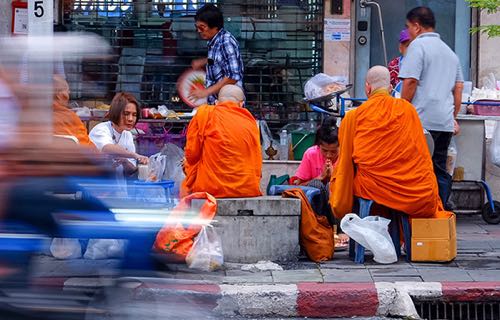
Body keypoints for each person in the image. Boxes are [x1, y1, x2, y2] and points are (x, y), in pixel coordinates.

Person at [330, 66, 451, 220]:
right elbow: (422, 156)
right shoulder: (408, 110)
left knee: (350, 180)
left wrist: (340, 201)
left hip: (371, 189)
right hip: (413, 191)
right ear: (390, 88)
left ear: (367, 88)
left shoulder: (354, 116)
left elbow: (345, 162)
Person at [399, 6, 464, 207]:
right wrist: (452, 115)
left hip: (421, 121)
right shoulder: (450, 52)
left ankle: (420, 212)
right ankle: (440, 210)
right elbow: (459, 88)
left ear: (417, 27)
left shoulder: (418, 47)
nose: (408, 31)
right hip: (443, 123)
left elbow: (410, 82)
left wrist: (401, 109)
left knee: (416, 168)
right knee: (440, 169)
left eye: (409, 27)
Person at [181, 85, 261, 198]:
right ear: (242, 104)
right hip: (246, 188)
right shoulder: (250, 122)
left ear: (217, 103)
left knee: (186, 176)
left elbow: (192, 155)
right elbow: (256, 158)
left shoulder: (205, 114)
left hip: (211, 187)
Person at [190, 4, 244, 104]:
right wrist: (204, 61)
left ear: (215, 26)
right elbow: (220, 60)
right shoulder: (214, 42)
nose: (198, 31)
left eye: (202, 27)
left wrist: (205, 92)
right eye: (197, 27)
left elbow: (233, 76)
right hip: (217, 103)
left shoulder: (226, 42)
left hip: (228, 105)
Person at [89, 92, 148, 175]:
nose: (131, 119)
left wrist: (125, 161)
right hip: (98, 184)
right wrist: (135, 155)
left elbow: (131, 171)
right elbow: (107, 147)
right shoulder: (100, 129)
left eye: (134, 115)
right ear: (116, 112)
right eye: (126, 114)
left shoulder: (127, 135)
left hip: (118, 187)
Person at [52, 75, 94, 147]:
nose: (69, 93)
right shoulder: (69, 118)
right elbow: (88, 148)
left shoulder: (31, 116)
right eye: (67, 90)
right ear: (59, 95)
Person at [387, 29, 411, 96]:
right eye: (407, 46)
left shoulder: (424, 64)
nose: (411, 50)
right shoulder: (393, 66)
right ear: (400, 48)